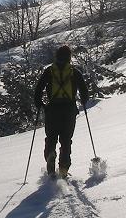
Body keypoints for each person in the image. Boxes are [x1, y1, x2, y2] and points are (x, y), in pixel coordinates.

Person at [33, 45, 89, 180]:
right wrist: (82, 102)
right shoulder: (74, 72)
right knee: (66, 140)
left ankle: (50, 156)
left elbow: (37, 92)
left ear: (56, 56)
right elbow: (84, 93)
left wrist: (41, 105)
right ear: (69, 57)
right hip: (69, 111)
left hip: (52, 110)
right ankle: (63, 168)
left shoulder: (49, 71)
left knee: (51, 139)